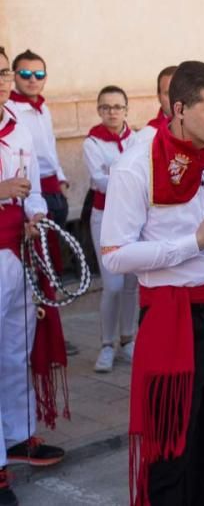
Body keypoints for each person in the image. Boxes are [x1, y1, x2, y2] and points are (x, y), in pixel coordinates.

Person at [101, 60, 204, 505]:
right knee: (170, 453)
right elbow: (114, 255)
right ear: (178, 108)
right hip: (176, 322)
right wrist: (192, 242)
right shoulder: (136, 165)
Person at [0, 50, 65, 506]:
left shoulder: (18, 122)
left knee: (15, 347)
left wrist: (35, 216)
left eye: (1, 70)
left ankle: (19, 434)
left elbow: (35, 189)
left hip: (15, 253)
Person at [83, 85, 138, 373]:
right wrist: (126, 176)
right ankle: (107, 343)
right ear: (99, 110)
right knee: (113, 284)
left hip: (133, 218)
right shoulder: (92, 142)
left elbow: (144, 174)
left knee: (131, 283)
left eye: (117, 107)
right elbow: (98, 180)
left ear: (126, 110)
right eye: (106, 107)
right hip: (104, 217)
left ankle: (128, 338)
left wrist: (115, 173)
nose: (112, 112)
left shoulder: (138, 138)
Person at [8, 50, 69, 230]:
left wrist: (61, 179)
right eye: (25, 74)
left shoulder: (43, 108)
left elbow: (50, 145)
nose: (32, 80)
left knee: (56, 248)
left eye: (39, 75)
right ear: (14, 77)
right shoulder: (10, 110)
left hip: (54, 188)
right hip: (30, 192)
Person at [138, 66, 178, 141]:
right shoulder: (146, 137)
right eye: (168, 93)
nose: (174, 99)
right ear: (159, 97)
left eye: (179, 92)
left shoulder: (203, 131)